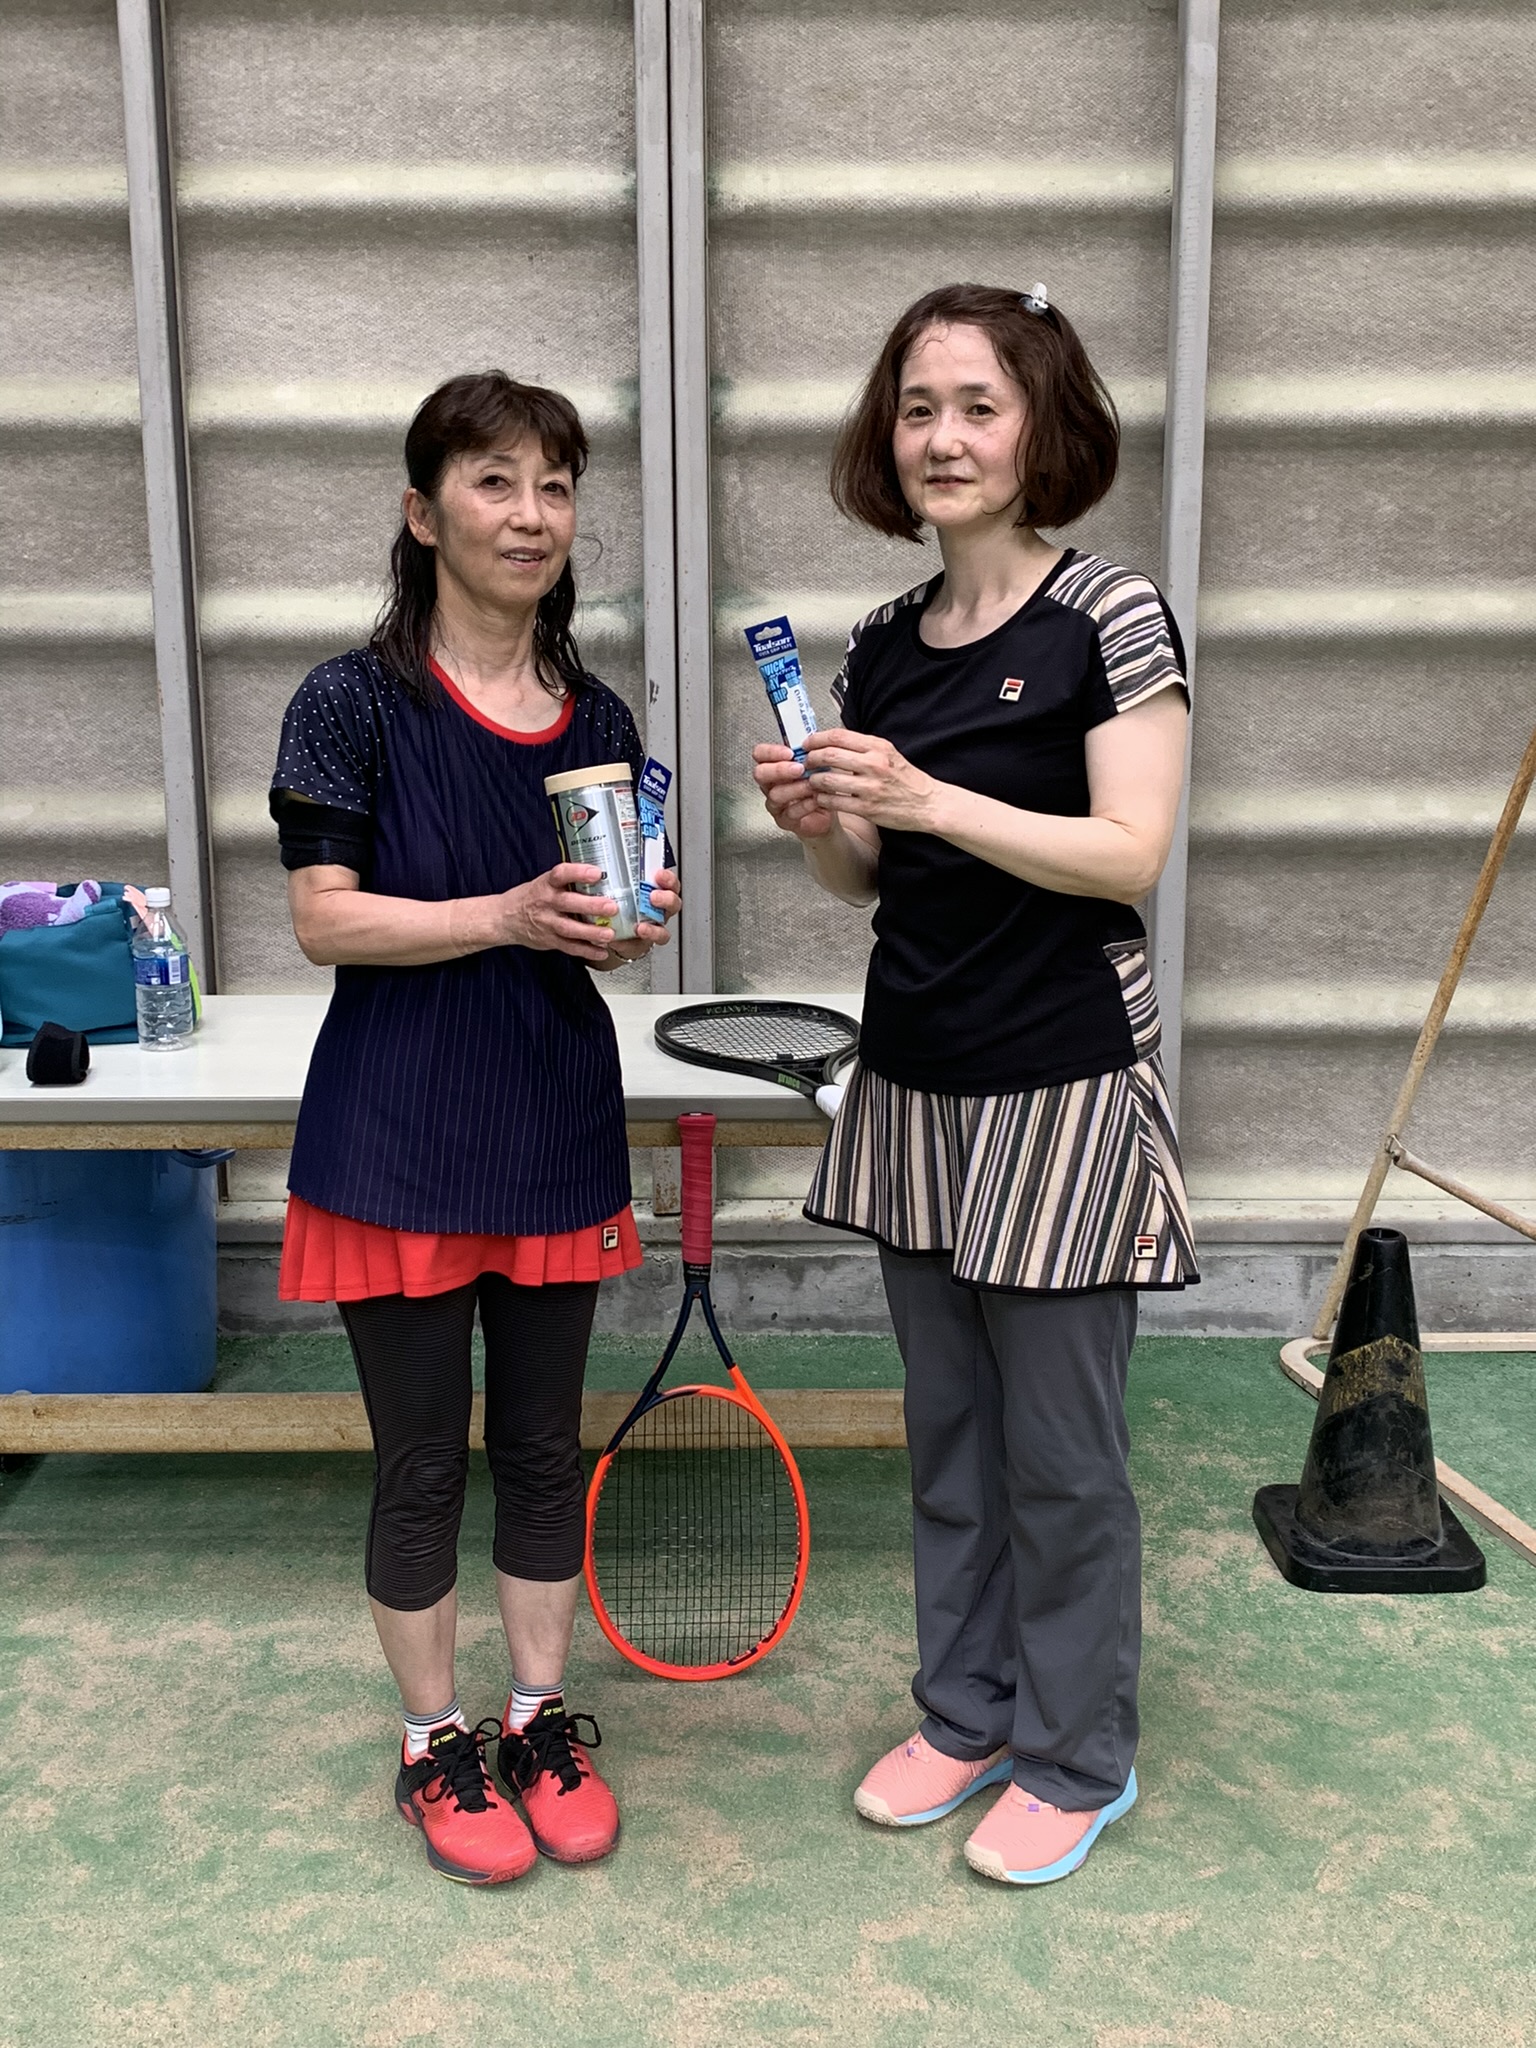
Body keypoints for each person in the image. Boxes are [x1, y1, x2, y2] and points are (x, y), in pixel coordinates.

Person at [753, 283, 1198, 1888]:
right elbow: (869, 882)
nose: (942, 438)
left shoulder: (1111, 615)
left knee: (1063, 1459)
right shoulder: (881, 644)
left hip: (1063, 1087)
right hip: (916, 1088)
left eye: (979, 407)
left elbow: (1128, 852)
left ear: (1041, 428)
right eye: (918, 408)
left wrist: (928, 795)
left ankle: (1078, 1756)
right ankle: (967, 1712)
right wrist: (823, 816)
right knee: (949, 1438)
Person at [269, 372, 679, 1886]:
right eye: (495, 482)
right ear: (423, 511)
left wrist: (620, 926)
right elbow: (325, 922)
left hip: (552, 1123)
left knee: (547, 1450)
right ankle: (432, 1741)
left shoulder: (602, 716)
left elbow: (595, 930)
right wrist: (502, 914)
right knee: (424, 1462)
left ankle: (536, 1718)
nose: (531, 515)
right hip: (397, 1137)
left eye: (556, 486)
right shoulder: (350, 703)